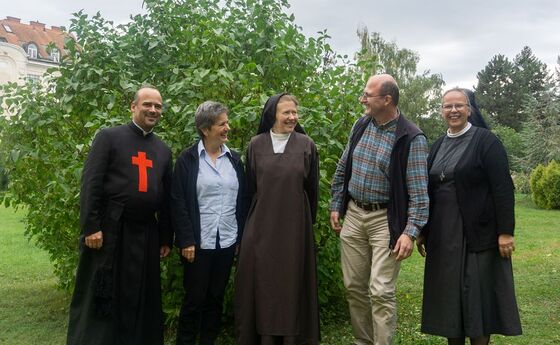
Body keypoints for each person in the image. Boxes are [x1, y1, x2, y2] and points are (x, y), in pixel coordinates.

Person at [67, 85, 173, 345]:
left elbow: (167, 197)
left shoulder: (163, 150)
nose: (153, 110)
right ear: (133, 106)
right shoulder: (109, 137)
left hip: (146, 233)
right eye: (147, 104)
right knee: (103, 292)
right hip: (110, 231)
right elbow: (91, 183)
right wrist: (90, 226)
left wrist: (165, 237)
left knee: (142, 295)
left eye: (158, 106)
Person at [416, 88, 522, 345]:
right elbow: (429, 190)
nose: (453, 111)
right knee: (450, 301)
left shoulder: (486, 142)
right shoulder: (438, 144)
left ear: (469, 109)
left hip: (477, 235)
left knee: (477, 299)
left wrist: (506, 232)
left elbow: (503, 188)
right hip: (444, 235)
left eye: (459, 106)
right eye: (447, 106)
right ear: (441, 111)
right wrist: (422, 230)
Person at [330, 74, 429, 345]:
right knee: (354, 287)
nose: (362, 99)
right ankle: (364, 341)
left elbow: (420, 195)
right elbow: (343, 167)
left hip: (385, 220)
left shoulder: (412, 138)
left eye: (367, 96)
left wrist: (410, 232)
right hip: (354, 214)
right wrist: (337, 203)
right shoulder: (361, 124)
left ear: (387, 100)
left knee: (381, 290)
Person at [235, 93, 320, 345]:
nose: (292, 117)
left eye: (295, 112)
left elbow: (312, 190)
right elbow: (250, 190)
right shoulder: (256, 145)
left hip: (295, 228)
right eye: (286, 113)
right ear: (272, 114)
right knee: (261, 280)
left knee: (292, 283)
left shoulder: (306, 145)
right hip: (261, 227)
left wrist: (305, 225)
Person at [172, 101, 247, 345]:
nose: (228, 127)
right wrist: (185, 239)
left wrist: (240, 239)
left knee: (215, 297)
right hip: (197, 243)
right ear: (206, 129)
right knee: (194, 299)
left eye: (227, 122)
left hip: (226, 240)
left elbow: (243, 201)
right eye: (222, 123)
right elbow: (178, 201)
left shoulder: (234, 160)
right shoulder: (188, 159)